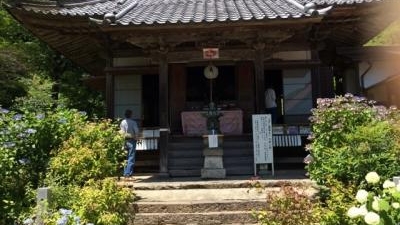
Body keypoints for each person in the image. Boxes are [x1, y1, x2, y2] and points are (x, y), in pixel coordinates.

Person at [119, 109, 139, 178]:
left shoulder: (122, 122)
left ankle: (126, 173)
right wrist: (136, 138)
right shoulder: (133, 122)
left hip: (124, 141)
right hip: (132, 140)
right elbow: (136, 132)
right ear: (131, 115)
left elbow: (121, 132)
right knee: (131, 157)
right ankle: (128, 173)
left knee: (125, 157)